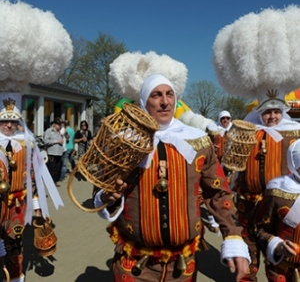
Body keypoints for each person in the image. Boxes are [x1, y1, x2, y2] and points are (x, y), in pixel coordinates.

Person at [94, 74, 250, 281]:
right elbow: (100, 189)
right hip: (133, 262)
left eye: (169, 95)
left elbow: (218, 192)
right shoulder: (123, 142)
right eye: (156, 95)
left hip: (182, 264)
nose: (165, 102)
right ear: (143, 102)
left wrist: (233, 237)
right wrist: (108, 197)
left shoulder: (197, 141)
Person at [232, 92, 300, 282]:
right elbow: (234, 164)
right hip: (248, 202)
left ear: (283, 112)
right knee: (247, 247)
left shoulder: (296, 132)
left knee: (280, 252)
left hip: (279, 206)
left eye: (276, 111)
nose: (272, 116)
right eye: (267, 112)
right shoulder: (248, 131)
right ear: (260, 112)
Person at [0, 93, 63, 282]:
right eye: (4, 120)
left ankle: (14, 278)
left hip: (17, 205)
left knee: (15, 244)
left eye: (13, 121)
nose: (9, 125)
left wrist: (37, 209)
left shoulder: (26, 147)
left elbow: (33, 180)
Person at [255, 139, 300, 281]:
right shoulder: (276, 191)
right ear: (295, 164)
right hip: (281, 268)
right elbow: (259, 228)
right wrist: (278, 246)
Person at [43, 118, 64, 186]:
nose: (60, 126)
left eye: (60, 125)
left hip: (59, 153)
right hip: (52, 153)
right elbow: (46, 141)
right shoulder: (49, 131)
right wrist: (56, 141)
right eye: (59, 124)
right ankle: (50, 183)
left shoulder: (60, 132)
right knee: (51, 168)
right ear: (55, 124)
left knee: (57, 169)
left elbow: (64, 140)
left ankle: (54, 181)